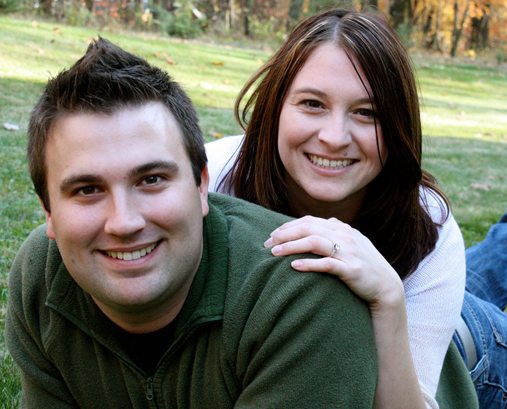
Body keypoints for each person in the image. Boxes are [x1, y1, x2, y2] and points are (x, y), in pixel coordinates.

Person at [206, 8, 507, 409]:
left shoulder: (427, 225)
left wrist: (390, 300)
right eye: (312, 103)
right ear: (275, 106)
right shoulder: (211, 179)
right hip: (427, 304)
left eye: (367, 113)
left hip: (452, 347)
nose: (334, 137)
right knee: (455, 289)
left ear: (397, 125)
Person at [5, 37, 379, 408]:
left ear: (202, 185)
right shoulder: (42, 274)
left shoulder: (303, 301)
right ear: (48, 212)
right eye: (87, 190)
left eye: (151, 179)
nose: (124, 222)